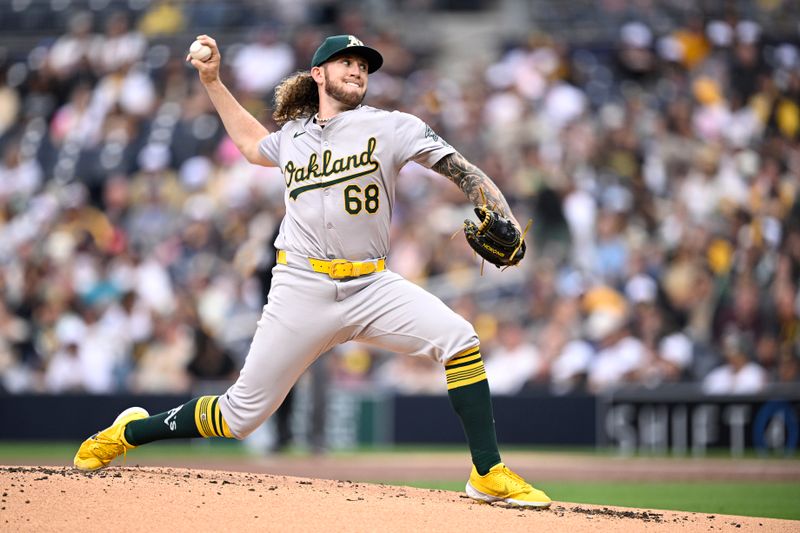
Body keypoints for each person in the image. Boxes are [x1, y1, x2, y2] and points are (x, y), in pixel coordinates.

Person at [73, 34, 551, 508]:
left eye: (364, 65)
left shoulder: (392, 126)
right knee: (241, 416)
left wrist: (501, 213)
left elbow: (462, 169)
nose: (358, 70)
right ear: (318, 74)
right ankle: (129, 432)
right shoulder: (292, 138)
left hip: (371, 283)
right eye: (347, 62)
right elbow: (249, 143)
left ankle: (487, 473)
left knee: (460, 338)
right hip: (301, 286)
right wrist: (213, 81)